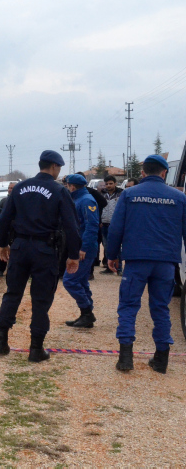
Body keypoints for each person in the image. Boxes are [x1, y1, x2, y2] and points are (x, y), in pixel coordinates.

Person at [0, 151, 80, 362]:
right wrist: (73, 255)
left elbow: (4, 219)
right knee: (41, 299)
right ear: (54, 167)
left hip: (20, 246)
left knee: (12, 293)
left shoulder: (20, 187)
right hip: (44, 249)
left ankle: (0, 340)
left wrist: (3, 244)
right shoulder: (59, 190)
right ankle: (36, 348)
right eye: (59, 168)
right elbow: (71, 226)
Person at [107, 155, 186, 373]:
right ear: (164, 173)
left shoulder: (129, 194)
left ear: (143, 173)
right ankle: (161, 359)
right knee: (161, 308)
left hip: (136, 260)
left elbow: (116, 227)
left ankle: (125, 358)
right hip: (166, 263)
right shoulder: (179, 197)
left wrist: (112, 255)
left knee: (128, 306)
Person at [61, 174, 100, 329]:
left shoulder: (86, 201)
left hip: (84, 249)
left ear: (72, 186)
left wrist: (84, 247)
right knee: (81, 281)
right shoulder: (77, 199)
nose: (66, 187)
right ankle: (86, 315)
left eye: (67, 185)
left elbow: (92, 226)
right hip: (79, 247)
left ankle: (87, 312)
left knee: (69, 280)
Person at [100, 175, 124, 275]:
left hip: (116, 225)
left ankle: (119, 268)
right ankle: (109, 267)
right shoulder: (102, 194)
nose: (108, 185)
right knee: (106, 246)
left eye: (111, 183)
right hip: (104, 224)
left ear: (115, 183)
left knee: (116, 247)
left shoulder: (121, 194)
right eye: (107, 184)